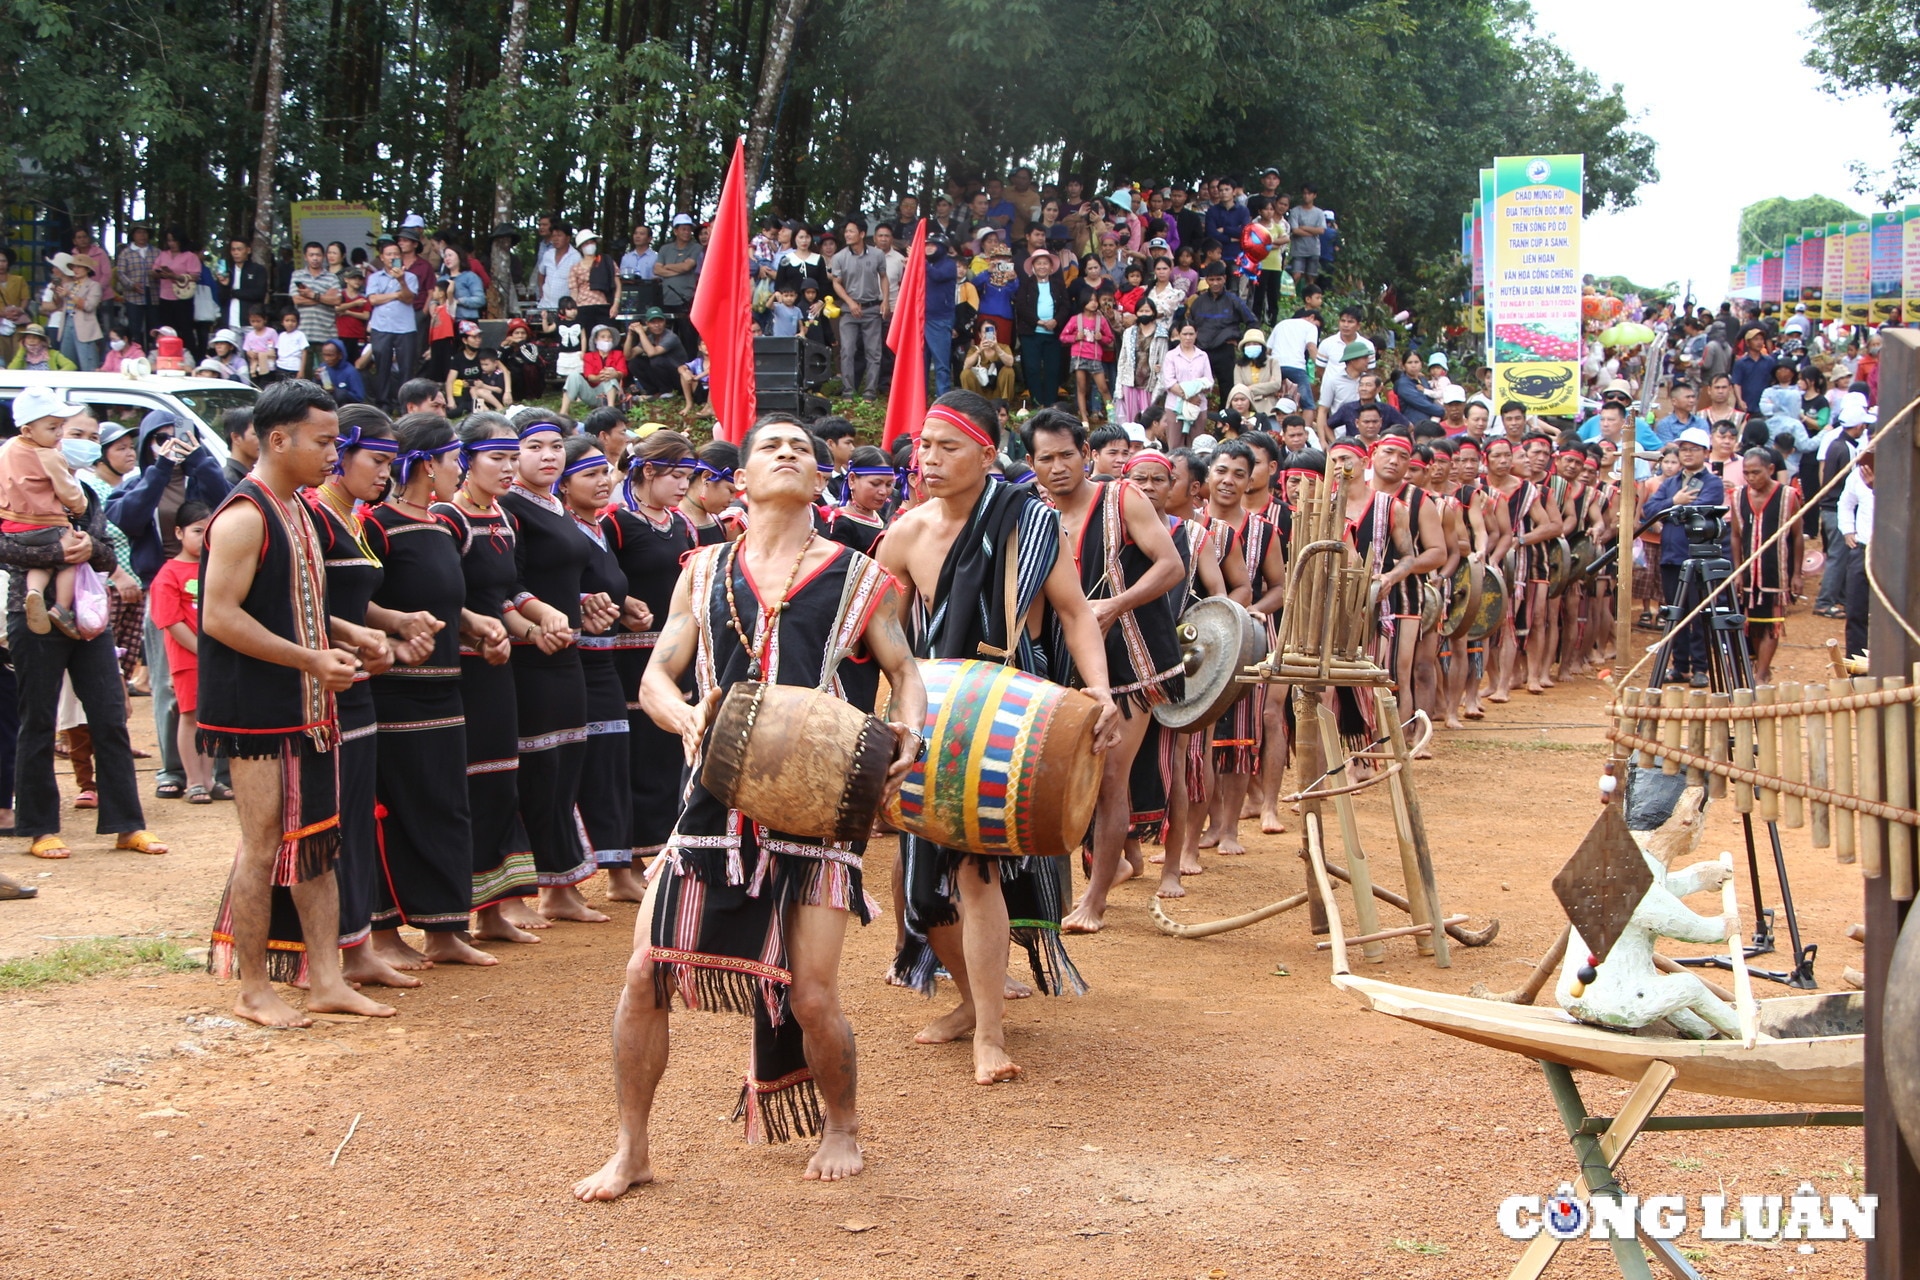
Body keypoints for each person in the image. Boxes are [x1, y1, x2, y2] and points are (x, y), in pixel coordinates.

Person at [572, 413, 924, 1200]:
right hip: (711, 804)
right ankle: (632, 1150)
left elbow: (904, 671)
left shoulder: (860, 575)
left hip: (820, 799)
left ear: (818, 477)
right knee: (642, 975)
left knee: (812, 992)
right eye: (772, 446)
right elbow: (659, 674)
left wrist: (912, 731)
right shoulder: (700, 570)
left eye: (802, 447)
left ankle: (842, 1125)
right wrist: (683, 714)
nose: (790, 453)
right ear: (742, 477)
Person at [875, 390, 1121, 1084]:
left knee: (976, 873)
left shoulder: (1031, 521)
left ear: (987, 455)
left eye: (947, 446)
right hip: (936, 714)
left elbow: (1074, 614)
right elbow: (888, 639)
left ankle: (989, 1030)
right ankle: (963, 999)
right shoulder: (905, 533)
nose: (929, 459)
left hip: (1012, 717)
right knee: (924, 889)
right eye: (923, 446)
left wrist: (1097, 690)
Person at [197, 381, 394, 1026]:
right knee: (261, 845)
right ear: (277, 439)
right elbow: (220, 618)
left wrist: (353, 632)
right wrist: (311, 658)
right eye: (324, 441)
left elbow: (298, 604)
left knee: (317, 842)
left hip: (307, 705)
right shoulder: (244, 515)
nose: (333, 453)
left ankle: (326, 977)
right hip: (257, 710)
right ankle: (254, 988)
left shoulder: (299, 511)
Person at [1022, 410, 1183, 931]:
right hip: (1064, 664)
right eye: (1045, 458)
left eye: (1066, 454)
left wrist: (1117, 603)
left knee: (1111, 775)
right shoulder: (1033, 514)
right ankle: (1089, 876)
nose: (1058, 466)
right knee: (1065, 778)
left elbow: (1170, 566)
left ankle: (1094, 899)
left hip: (1132, 662)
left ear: (1085, 453)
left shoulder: (1123, 497)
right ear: (1031, 464)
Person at [434, 413, 559, 943]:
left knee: (499, 780)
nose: (509, 469)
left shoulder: (501, 519)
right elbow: (445, 595)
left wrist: (533, 627)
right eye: (498, 458)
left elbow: (502, 597)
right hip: (462, 668)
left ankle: (494, 909)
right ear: (465, 461)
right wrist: (484, 631)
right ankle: (453, 914)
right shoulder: (448, 518)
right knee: (468, 784)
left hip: (498, 666)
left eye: (514, 458)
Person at [501, 415, 607, 923]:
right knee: (535, 770)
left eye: (556, 446)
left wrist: (588, 601)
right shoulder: (509, 509)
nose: (549, 456)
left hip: (567, 651)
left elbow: (565, 578)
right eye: (535, 447)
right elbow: (507, 581)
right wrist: (534, 622)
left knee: (567, 765)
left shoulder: (555, 507)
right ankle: (521, 888)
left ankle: (561, 884)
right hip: (527, 656)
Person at [108, 410, 232, 799]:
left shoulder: (202, 476)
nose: (170, 441)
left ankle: (220, 771)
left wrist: (197, 458)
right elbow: (128, 518)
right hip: (162, 585)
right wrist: (160, 467)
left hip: (213, 586)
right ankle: (173, 770)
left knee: (219, 684)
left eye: (177, 434)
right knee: (169, 686)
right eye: (158, 437)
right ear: (147, 444)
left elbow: (231, 501)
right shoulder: (136, 482)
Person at [604, 429, 698, 884]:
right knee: (635, 755)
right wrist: (621, 606)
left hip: (676, 654)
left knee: (668, 752)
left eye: (688, 476)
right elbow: (598, 578)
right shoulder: (615, 524)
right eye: (676, 475)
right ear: (646, 472)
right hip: (629, 659)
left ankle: (662, 850)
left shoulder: (683, 525)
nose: (683, 485)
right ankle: (627, 863)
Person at [0, 388, 93, 638]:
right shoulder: (48, 455)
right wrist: (79, 508)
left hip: (13, 527)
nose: (59, 434)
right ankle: (61, 608)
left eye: (60, 426)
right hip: (48, 524)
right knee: (68, 557)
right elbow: (68, 491)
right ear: (27, 431)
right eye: (53, 428)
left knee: (45, 563)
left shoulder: (7, 450)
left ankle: (35, 593)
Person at [1640, 426, 1727, 688]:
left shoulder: (1712, 482)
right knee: (1674, 611)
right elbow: (1650, 508)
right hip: (1671, 555)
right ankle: (1680, 666)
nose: (1687, 454)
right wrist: (1675, 502)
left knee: (1699, 613)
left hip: (1699, 556)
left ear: (1705, 453)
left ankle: (1701, 667)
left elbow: (1702, 509)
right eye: (1684, 449)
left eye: (1693, 449)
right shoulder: (1671, 483)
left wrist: (1673, 507)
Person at [148, 502, 216, 802]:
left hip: (215, 658)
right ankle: (194, 780)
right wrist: (203, 650)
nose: (204, 539)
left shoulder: (214, 568)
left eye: (208, 532)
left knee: (210, 718)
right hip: (189, 659)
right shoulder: (167, 574)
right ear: (178, 532)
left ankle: (210, 779)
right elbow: (171, 621)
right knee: (190, 716)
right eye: (197, 531)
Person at [1728, 447, 1801, 683]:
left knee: (1772, 621)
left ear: (1770, 469)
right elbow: (1736, 535)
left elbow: (1798, 536)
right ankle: (1761, 668)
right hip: (1749, 571)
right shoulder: (1738, 496)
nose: (1751, 478)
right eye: (1746, 473)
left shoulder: (1789, 496)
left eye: (1756, 472)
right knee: (1753, 621)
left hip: (1776, 569)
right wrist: (1738, 569)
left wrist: (1796, 574)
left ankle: (1760, 673)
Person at [364, 242, 420, 411]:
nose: (393, 257)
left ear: (401, 256)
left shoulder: (410, 277)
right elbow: (373, 299)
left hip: (405, 328)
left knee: (406, 368)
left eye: (396, 254)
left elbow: (409, 298)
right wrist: (397, 295)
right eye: (389, 254)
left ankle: (405, 405)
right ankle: (383, 404)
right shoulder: (374, 278)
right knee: (382, 366)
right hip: (381, 327)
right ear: (382, 257)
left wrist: (401, 280)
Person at [1012, 247, 1067, 407]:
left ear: (1051, 267)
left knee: (1052, 369)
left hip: (1053, 333)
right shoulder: (1025, 284)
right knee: (1032, 368)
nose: (1042, 267)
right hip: (1031, 333)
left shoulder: (1058, 284)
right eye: (1039, 264)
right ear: (1033, 267)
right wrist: (1038, 321)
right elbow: (1021, 306)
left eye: (1045, 264)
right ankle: (1037, 402)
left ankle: (1050, 403)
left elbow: (1065, 306)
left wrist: (1056, 321)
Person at [1839, 445, 1875, 660]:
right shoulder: (1857, 475)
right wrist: (1847, 529)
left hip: (1893, 554)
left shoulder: (1905, 472)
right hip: (1862, 549)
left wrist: (1877, 488)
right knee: (1855, 611)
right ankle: (1857, 667)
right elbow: (1845, 503)